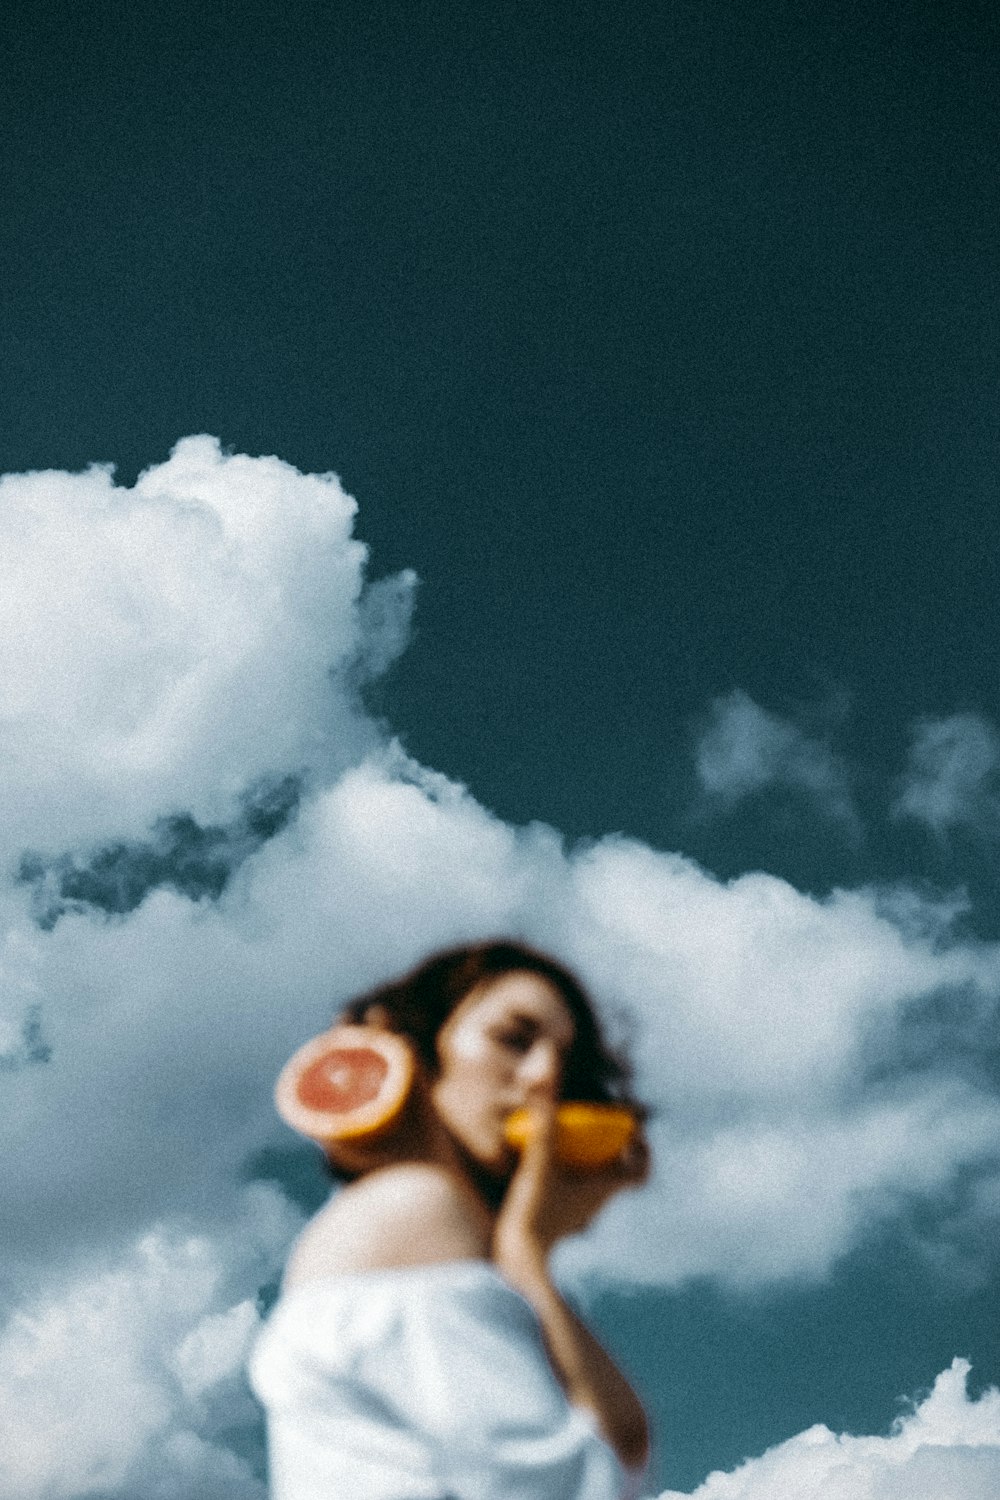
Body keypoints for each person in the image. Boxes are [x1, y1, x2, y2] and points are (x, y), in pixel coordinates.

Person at [249, 940, 652, 1500]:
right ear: (415, 1046)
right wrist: (526, 1251)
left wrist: (526, 1251)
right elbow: (572, 1488)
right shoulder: (417, 1204)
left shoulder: (445, 1231)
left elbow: (625, 1451)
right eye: (513, 1038)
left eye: (566, 1061)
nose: (545, 1078)